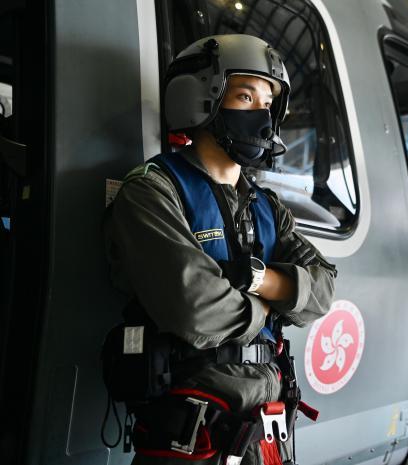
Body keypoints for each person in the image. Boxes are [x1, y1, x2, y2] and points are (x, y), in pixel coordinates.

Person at [103, 34, 337, 465]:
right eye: (246, 96)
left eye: (268, 103)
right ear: (200, 100)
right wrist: (271, 306)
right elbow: (193, 307)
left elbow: (324, 290)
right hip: (193, 435)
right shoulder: (152, 191)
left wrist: (261, 280)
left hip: (267, 432)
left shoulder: (267, 206)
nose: (262, 116)